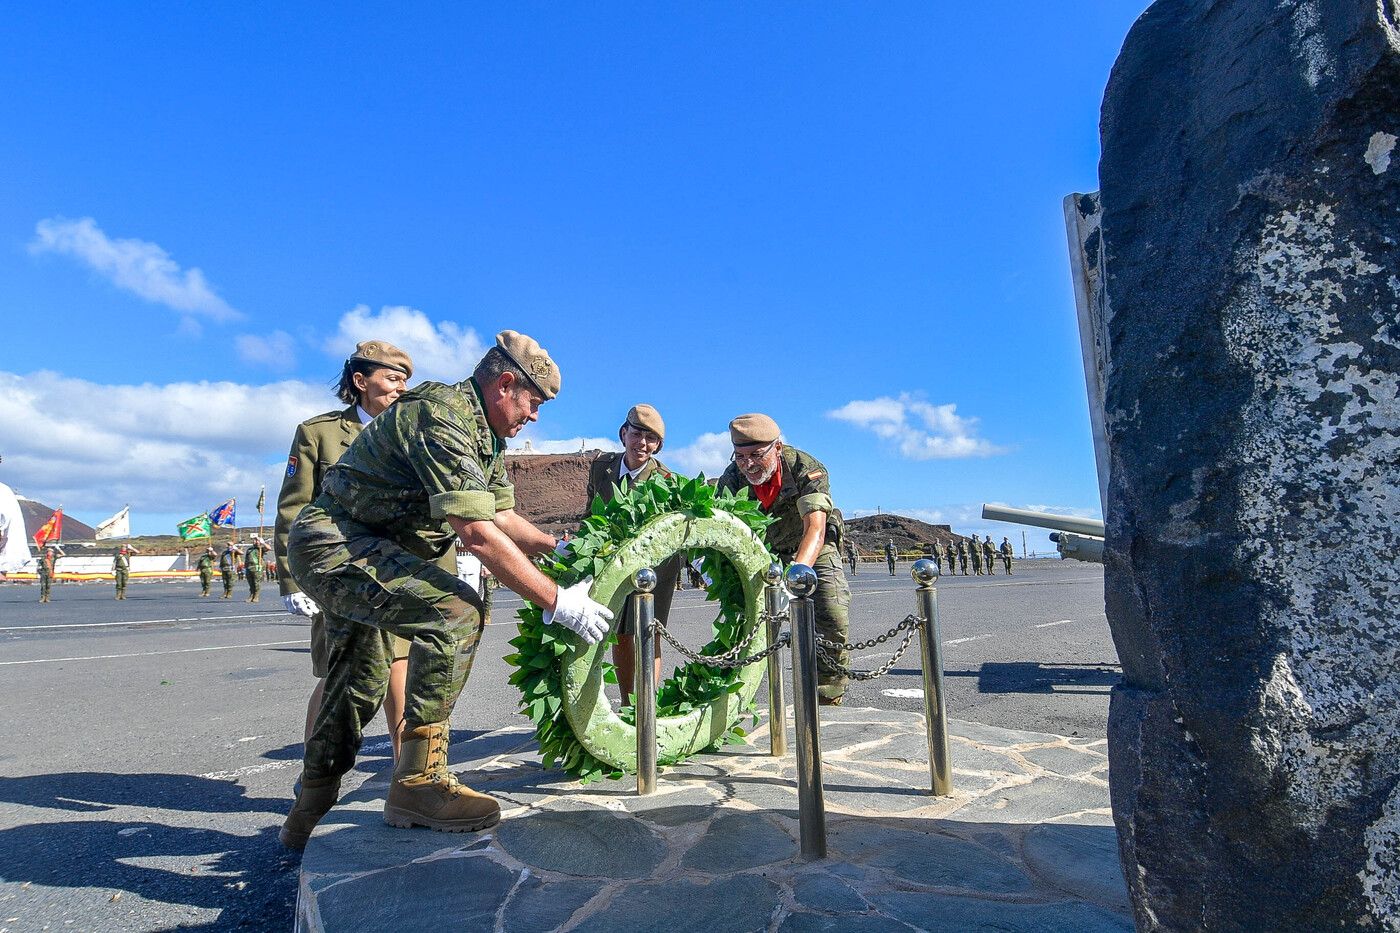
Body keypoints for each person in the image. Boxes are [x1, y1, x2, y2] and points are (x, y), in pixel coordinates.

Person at [280, 330, 613, 849]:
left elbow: (500, 513)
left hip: (367, 547)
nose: (535, 416)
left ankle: (308, 810)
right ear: (506, 384)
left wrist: (554, 547)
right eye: (535, 402)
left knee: (359, 679)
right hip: (336, 544)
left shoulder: (483, 435)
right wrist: (556, 600)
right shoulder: (443, 416)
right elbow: (476, 533)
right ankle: (418, 783)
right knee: (457, 612)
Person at [275, 340, 446, 767]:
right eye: (391, 379)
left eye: (406, 381)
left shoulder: (414, 435)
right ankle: (315, 772)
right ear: (360, 381)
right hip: (340, 574)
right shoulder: (320, 433)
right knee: (339, 677)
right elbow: (295, 507)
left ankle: (410, 776)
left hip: (396, 574)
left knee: (400, 673)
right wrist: (294, 579)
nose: (400, 389)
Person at [717, 413, 851, 706]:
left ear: (776, 447)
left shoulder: (806, 468)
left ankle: (828, 693)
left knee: (831, 613)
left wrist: (792, 583)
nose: (747, 464)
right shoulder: (731, 478)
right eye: (739, 456)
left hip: (813, 546)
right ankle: (730, 700)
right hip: (765, 550)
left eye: (755, 455)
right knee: (743, 619)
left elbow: (815, 528)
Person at [583, 404, 679, 705]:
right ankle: (628, 703)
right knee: (621, 633)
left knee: (649, 631)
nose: (642, 444)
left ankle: (646, 705)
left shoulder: (665, 478)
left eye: (651, 440)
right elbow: (591, 512)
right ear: (624, 433)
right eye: (637, 434)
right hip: (613, 560)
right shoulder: (602, 467)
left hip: (656, 566)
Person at [244, 536, 268, 602]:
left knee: (256, 583)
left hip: (257, 568)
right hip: (249, 567)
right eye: (254, 540)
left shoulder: (260, 548)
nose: (255, 541)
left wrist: (263, 543)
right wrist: (245, 567)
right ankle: (251, 595)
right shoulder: (249, 549)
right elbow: (246, 559)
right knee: (251, 583)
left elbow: (268, 548)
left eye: (257, 540)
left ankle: (256, 596)